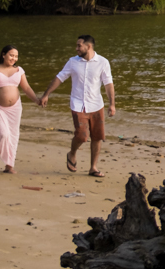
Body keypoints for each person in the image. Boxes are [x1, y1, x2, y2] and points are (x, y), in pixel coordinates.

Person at [39, 34, 116, 177]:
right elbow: (60, 77)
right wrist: (46, 94)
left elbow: (108, 84)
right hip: (78, 104)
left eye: (79, 45)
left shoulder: (103, 62)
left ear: (89, 46)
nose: (76, 49)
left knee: (97, 137)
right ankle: (72, 153)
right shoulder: (72, 62)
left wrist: (112, 104)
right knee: (81, 136)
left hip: (96, 104)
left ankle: (93, 167)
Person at [0, 44, 39, 174]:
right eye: (11, 55)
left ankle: (9, 166)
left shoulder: (19, 70)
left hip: (15, 108)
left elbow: (27, 88)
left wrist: (36, 100)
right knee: (3, 133)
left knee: (13, 136)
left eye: (16, 56)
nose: (14, 58)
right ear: (3, 54)